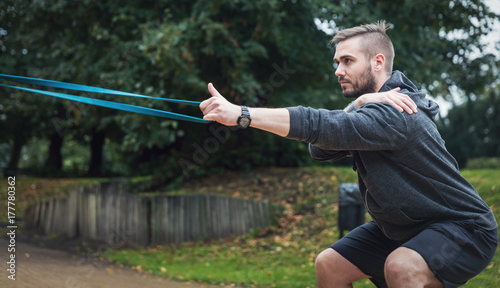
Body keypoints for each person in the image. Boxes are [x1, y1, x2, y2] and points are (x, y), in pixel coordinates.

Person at [199, 20, 498, 288]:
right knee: (329, 265)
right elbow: (319, 148)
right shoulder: (371, 109)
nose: (338, 70)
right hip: (403, 229)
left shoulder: (396, 113)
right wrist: (358, 104)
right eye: (337, 61)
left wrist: (243, 114)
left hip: (464, 229)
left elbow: (319, 125)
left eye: (347, 61)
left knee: (402, 267)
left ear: (377, 62)